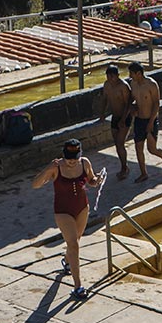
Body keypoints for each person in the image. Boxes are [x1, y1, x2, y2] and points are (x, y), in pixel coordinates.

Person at [32, 139, 100, 300]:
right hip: (63, 212)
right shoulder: (56, 168)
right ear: (63, 155)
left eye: (75, 158)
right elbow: (35, 184)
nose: (72, 161)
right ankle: (78, 286)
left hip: (82, 208)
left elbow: (91, 179)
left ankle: (66, 260)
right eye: (69, 158)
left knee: (75, 241)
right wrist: (47, 168)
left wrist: (97, 181)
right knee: (74, 245)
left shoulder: (84, 163)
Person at [127, 61, 162, 182]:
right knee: (138, 147)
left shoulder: (151, 84)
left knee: (152, 149)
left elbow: (156, 103)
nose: (130, 76)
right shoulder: (133, 84)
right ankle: (143, 173)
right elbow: (132, 100)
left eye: (132, 73)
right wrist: (132, 108)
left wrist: (151, 122)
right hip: (139, 120)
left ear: (139, 73)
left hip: (150, 119)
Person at [98, 64, 133, 179]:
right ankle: (124, 165)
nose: (110, 78)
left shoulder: (123, 86)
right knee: (117, 143)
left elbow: (128, 104)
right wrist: (102, 113)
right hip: (115, 117)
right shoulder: (107, 85)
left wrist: (123, 119)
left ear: (117, 75)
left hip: (125, 117)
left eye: (112, 76)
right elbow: (104, 99)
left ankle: (124, 167)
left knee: (120, 143)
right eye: (108, 76)